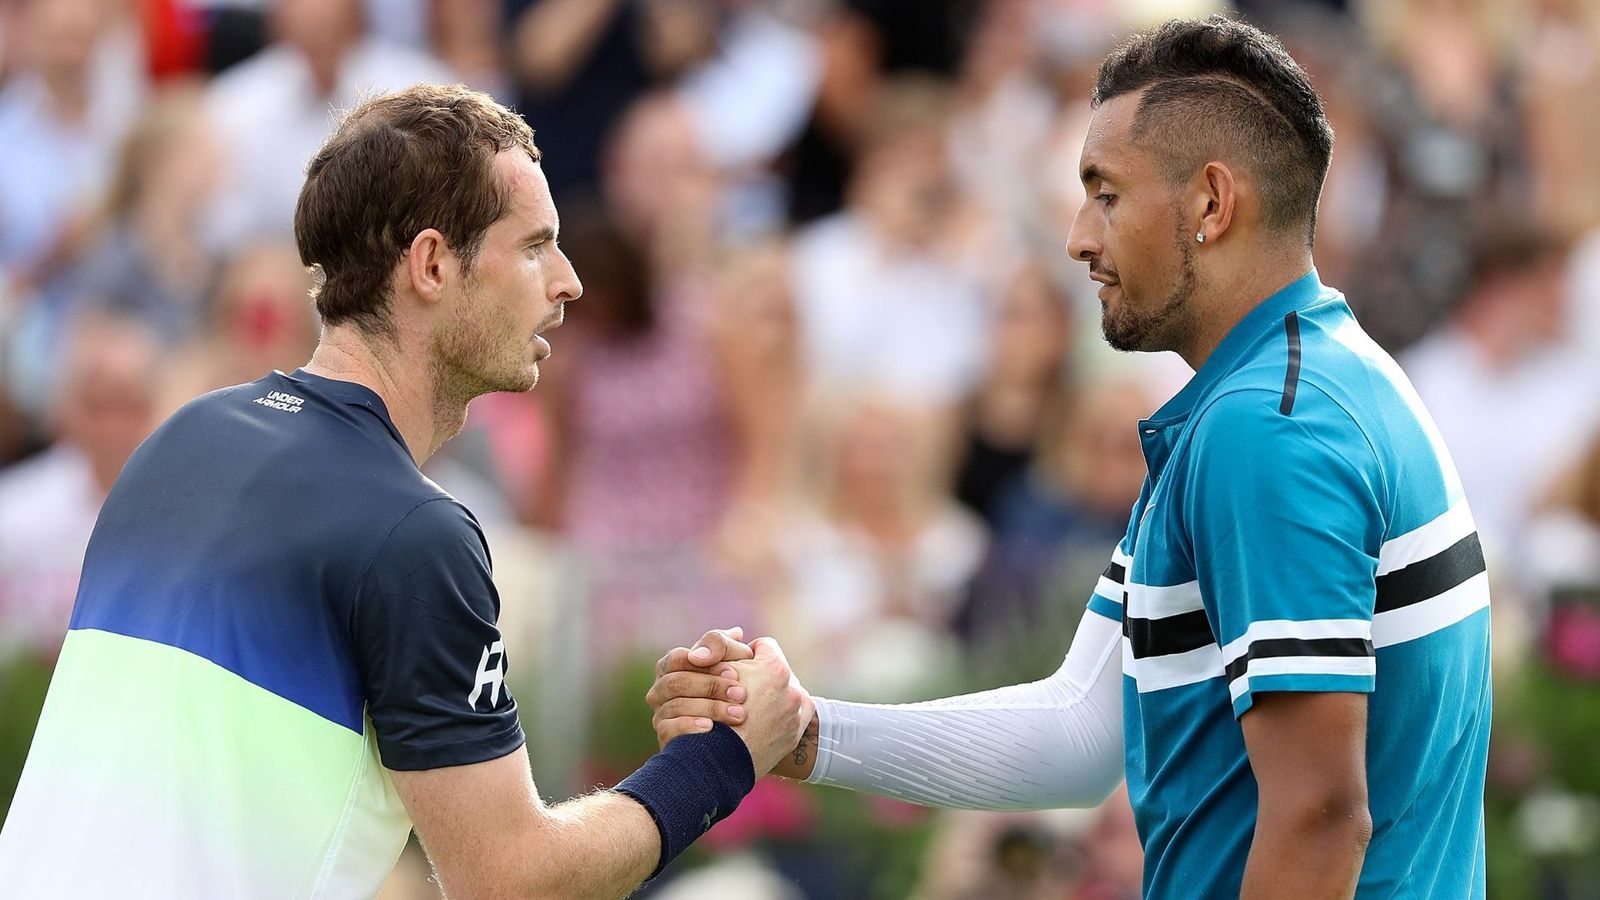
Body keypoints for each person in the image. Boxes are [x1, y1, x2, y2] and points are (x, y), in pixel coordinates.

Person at [650, 16, 1492, 899]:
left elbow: (1321, 817)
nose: (1079, 238)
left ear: (1211, 202)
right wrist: (807, 729)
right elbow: (1083, 728)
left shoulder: (1267, 428)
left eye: (1106, 194)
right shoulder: (1308, 384)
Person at [0, 84, 810, 899]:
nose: (567, 282)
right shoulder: (412, 534)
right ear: (431, 265)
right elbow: (512, 882)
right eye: (534, 247)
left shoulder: (178, 442)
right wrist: (722, 759)